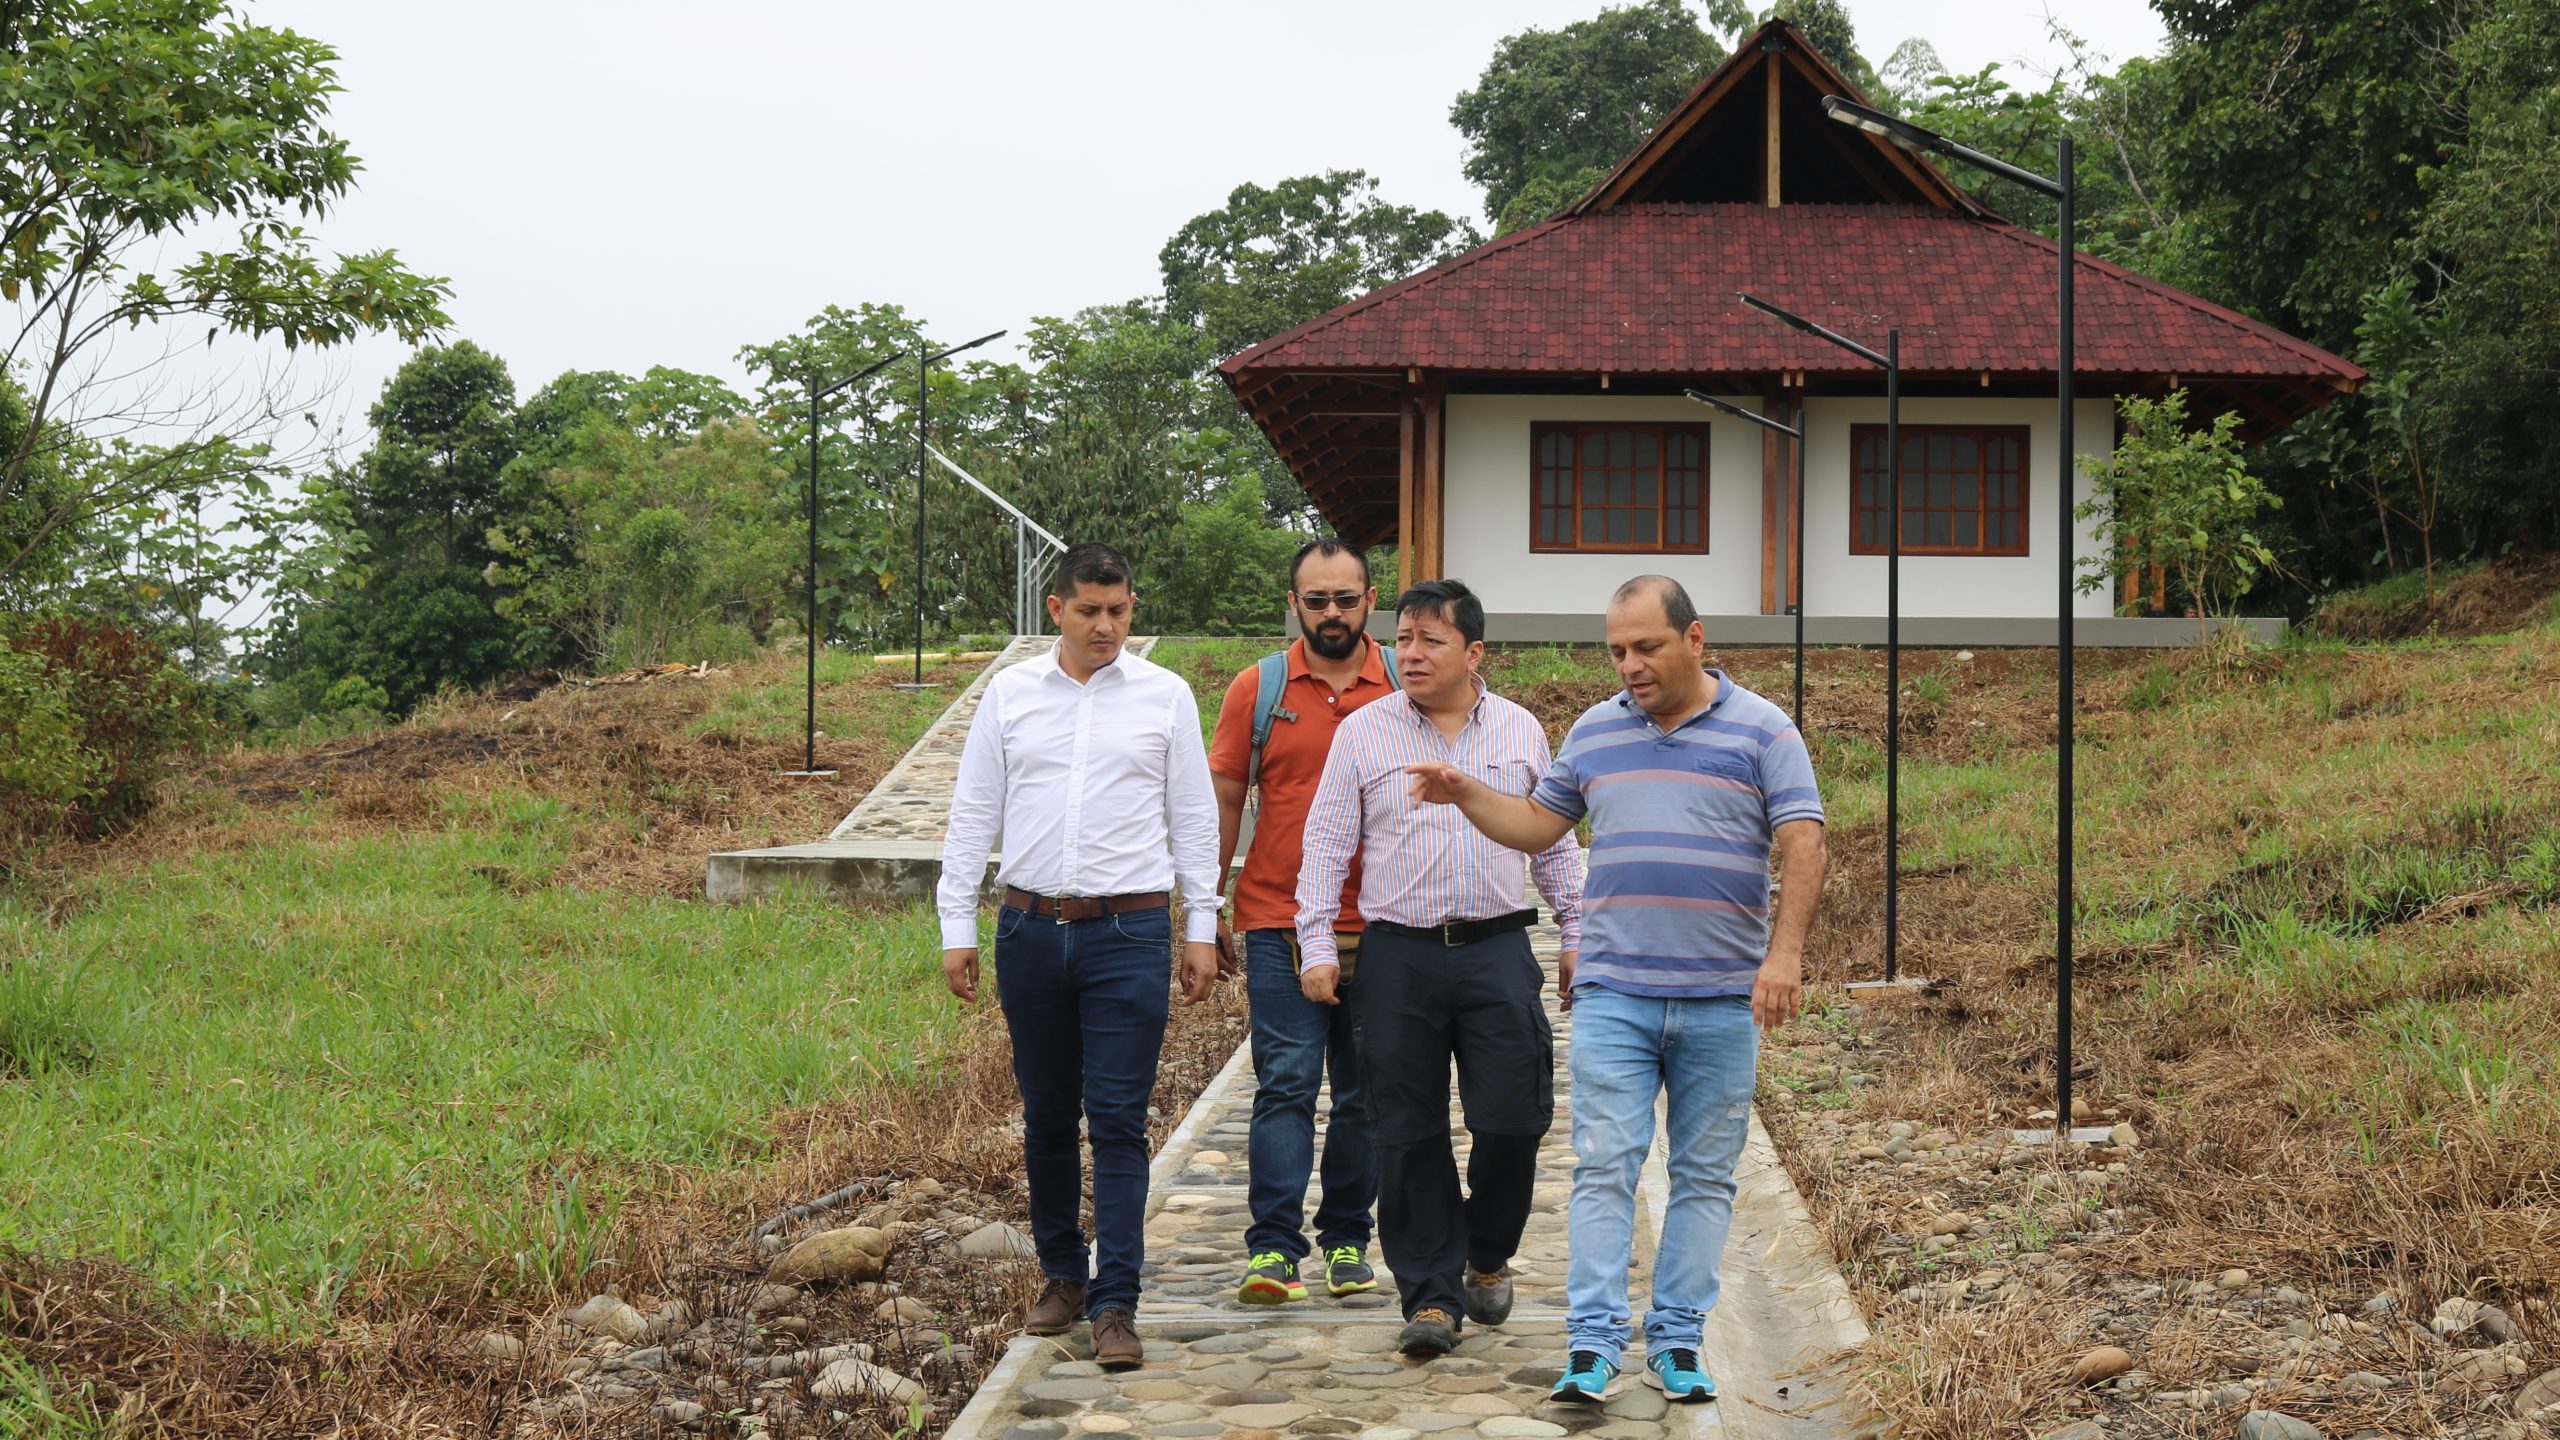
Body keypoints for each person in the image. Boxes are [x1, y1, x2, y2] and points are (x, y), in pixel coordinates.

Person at [1405, 574, 1826, 1404]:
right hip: (1615, 995)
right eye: (1618, 650)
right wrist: (1468, 794)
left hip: (1719, 998)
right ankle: (1592, 1346)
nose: (1629, 665)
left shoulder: (1765, 730)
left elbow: (1804, 841)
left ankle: (1677, 1340)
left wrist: (1784, 958)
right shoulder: (1595, 732)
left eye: (1647, 647)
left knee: (1705, 1177)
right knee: (1603, 1169)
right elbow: (1536, 826)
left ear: (1694, 639)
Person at [937, 542, 1222, 1370]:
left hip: (1128, 934)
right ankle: (1062, 1275)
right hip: (1029, 931)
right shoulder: (1011, 694)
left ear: (1133, 609)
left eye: (1120, 612)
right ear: (1056, 610)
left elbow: (1194, 819)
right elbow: (972, 813)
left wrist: (1198, 926)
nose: (1106, 627)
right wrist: (957, 928)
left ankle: (1117, 1302)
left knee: (1121, 1121)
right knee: (1048, 1114)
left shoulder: (1166, 697)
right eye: (1090, 611)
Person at [1296, 577, 1583, 1359]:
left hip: (1497, 950)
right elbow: (1325, 844)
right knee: (1406, 1127)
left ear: (1474, 652)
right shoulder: (1366, 732)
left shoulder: (1521, 730)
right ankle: (1429, 1295)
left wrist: (1579, 931)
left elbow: (1551, 839)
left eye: (1431, 641)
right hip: (1399, 958)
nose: (1411, 655)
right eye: (1404, 640)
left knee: (1514, 1117)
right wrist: (1317, 944)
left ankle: (1485, 1252)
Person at [1207, 538, 1397, 1306]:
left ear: (1369, 600)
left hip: (1384, 924)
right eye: (1315, 600)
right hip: (1278, 918)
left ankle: (1348, 1239)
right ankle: (1274, 1250)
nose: (1331, 613)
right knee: (1284, 1085)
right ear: (1293, 604)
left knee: (1366, 1094)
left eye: (1344, 599)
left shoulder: (1404, 684)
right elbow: (1223, 801)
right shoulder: (1259, 688)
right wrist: (1205, 902)